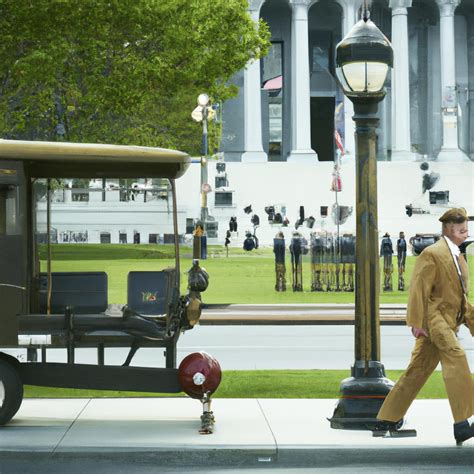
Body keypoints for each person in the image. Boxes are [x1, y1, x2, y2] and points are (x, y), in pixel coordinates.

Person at [377, 208, 474, 444]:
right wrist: (416, 322)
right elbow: (418, 289)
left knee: (418, 370)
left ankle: (387, 418)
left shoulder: (458, 257)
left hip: (448, 320)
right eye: (462, 230)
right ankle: (462, 423)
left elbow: (460, 297)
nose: (466, 233)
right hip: (434, 318)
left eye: (466, 229)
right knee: (456, 355)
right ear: (449, 230)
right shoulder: (432, 254)